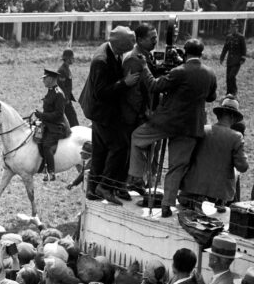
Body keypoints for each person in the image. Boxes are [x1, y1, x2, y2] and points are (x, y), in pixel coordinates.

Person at [127, 38, 218, 218]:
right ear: (201, 53)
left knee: (137, 138)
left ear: (185, 52)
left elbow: (154, 86)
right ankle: (167, 205)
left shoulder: (180, 71)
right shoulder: (210, 73)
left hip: (167, 122)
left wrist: (145, 66)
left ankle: (136, 176)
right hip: (191, 126)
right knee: (177, 167)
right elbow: (210, 97)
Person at [82, 26, 138, 205]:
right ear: (120, 47)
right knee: (120, 146)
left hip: (97, 110)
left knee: (100, 149)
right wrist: (125, 83)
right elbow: (101, 92)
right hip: (101, 110)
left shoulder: (108, 49)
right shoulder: (102, 61)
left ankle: (92, 189)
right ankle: (105, 186)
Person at [181, 96, 248, 209]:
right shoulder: (236, 137)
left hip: (192, 188)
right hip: (217, 194)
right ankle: (227, 205)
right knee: (236, 173)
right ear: (233, 117)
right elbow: (243, 167)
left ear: (219, 114)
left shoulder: (204, 129)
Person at [36, 69, 70, 181]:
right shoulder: (51, 91)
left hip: (56, 127)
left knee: (46, 145)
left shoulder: (59, 94)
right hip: (47, 124)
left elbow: (59, 114)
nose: (43, 81)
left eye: (44, 78)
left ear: (51, 79)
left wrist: (42, 116)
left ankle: (51, 172)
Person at [220, 20, 247, 96]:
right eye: (231, 27)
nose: (232, 29)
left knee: (232, 76)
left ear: (237, 28)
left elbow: (244, 49)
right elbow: (225, 48)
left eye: (234, 27)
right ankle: (228, 92)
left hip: (237, 61)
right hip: (230, 61)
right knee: (228, 77)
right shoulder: (228, 37)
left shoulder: (241, 37)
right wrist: (222, 57)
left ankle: (234, 91)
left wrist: (243, 59)